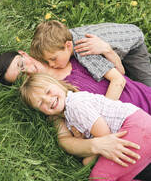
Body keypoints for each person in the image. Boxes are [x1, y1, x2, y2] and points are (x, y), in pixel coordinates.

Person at [0, 50, 151, 179]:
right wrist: (91, 144)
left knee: (101, 175)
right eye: (20, 79)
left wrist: (107, 49)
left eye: (21, 64)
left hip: (138, 112)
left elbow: (118, 78)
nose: (28, 71)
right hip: (128, 129)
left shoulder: (67, 55)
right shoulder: (57, 107)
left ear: (24, 53)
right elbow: (66, 139)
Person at [20, 73, 151, 181]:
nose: (48, 100)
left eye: (48, 91)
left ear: (58, 84)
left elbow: (105, 135)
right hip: (136, 127)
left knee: (100, 176)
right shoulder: (67, 115)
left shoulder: (75, 104)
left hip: (135, 126)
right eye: (41, 102)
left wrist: (89, 157)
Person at [30, 20, 151, 87]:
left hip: (131, 46)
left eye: (53, 59)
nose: (51, 65)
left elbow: (120, 73)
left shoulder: (84, 49)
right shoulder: (60, 37)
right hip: (113, 38)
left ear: (68, 45)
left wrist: (108, 51)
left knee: (147, 87)